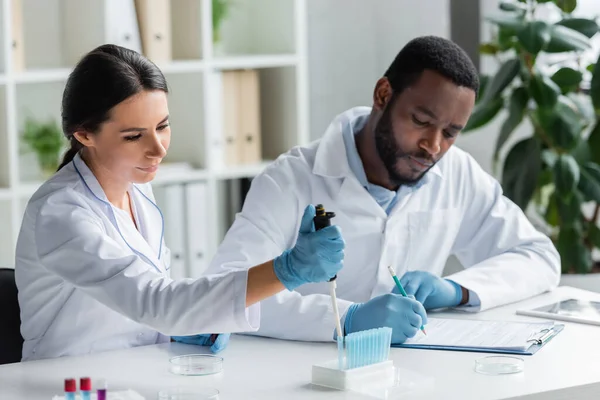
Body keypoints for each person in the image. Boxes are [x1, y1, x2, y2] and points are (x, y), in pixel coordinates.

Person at [204, 35, 561, 345]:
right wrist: (347, 318)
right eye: (421, 121)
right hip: (304, 378)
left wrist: (456, 290)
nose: (433, 146)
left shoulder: (457, 172)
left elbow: (538, 257)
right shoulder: (291, 179)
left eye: (450, 132)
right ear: (383, 94)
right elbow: (224, 293)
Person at [14, 44, 345, 361]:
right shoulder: (61, 214)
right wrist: (287, 270)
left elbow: (147, 301)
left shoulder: (137, 188)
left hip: (136, 370)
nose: (158, 149)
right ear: (85, 134)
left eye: (162, 126)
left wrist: (184, 328)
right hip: (67, 383)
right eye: (134, 136)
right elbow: (156, 303)